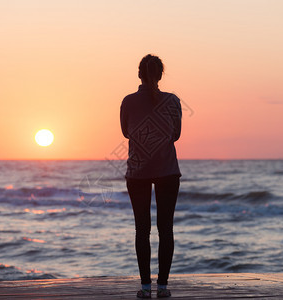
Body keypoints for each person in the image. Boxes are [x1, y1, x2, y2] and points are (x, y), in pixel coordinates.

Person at [120, 54, 182, 298]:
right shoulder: (173, 100)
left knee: (141, 229)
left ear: (139, 75)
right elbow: (176, 134)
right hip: (167, 170)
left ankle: (146, 287)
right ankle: (163, 287)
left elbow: (126, 132)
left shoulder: (128, 101)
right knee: (165, 229)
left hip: (138, 172)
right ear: (160, 75)